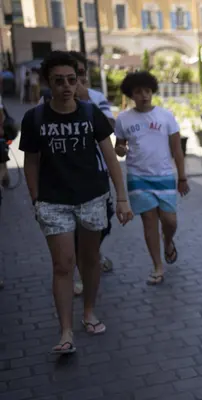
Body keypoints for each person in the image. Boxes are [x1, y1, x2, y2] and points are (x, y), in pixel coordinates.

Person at [20, 51, 133, 354]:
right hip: (53, 201)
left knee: (91, 260)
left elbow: (110, 157)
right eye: (59, 81)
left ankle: (89, 311)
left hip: (92, 198)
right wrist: (35, 199)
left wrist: (122, 198)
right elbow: (30, 161)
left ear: (79, 80)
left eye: (72, 80)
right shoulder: (35, 118)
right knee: (63, 264)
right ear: (49, 83)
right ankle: (65, 331)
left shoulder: (90, 112)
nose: (67, 86)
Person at [38, 51, 117, 296]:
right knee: (68, 232)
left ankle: (91, 257)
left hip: (96, 173)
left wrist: (87, 102)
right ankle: (80, 271)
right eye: (71, 77)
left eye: (79, 76)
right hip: (62, 179)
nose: (75, 83)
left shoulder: (95, 98)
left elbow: (110, 128)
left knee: (103, 225)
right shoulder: (46, 103)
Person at [114, 71, 189, 285]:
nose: (144, 95)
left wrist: (182, 177)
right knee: (149, 222)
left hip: (164, 175)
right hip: (138, 177)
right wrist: (120, 148)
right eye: (138, 92)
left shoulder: (166, 116)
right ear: (131, 94)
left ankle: (169, 241)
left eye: (147, 91)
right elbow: (118, 148)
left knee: (170, 221)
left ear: (152, 91)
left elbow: (177, 149)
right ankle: (157, 266)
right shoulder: (124, 119)